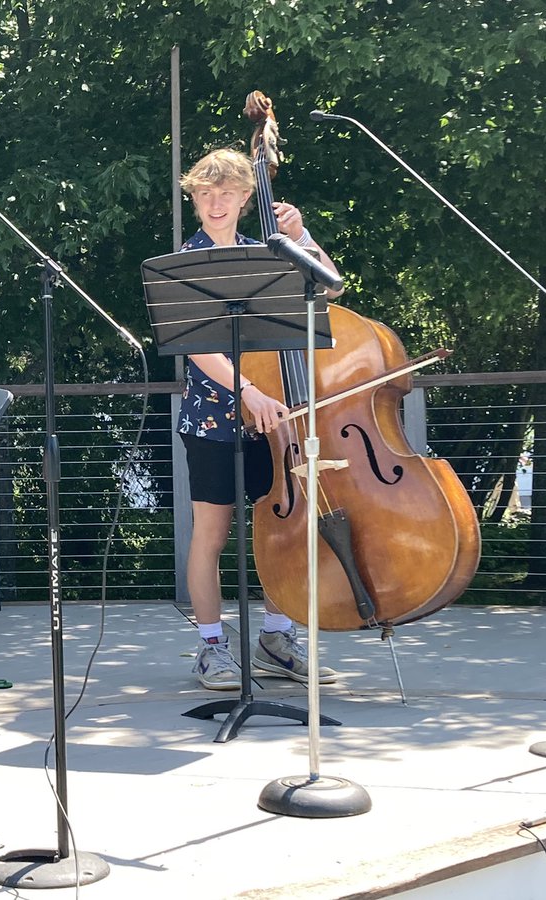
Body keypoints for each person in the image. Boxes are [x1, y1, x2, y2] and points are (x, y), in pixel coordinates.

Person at [177, 148, 342, 691]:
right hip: (213, 419)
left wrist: (305, 239)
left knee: (282, 531)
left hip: (275, 418)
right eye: (205, 192)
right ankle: (210, 647)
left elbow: (332, 289)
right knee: (212, 534)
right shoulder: (186, 260)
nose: (215, 202)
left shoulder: (270, 251)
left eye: (227, 192)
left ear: (248, 198)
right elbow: (200, 350)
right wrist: (248, 392)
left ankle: (276, 640)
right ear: (194, 198)